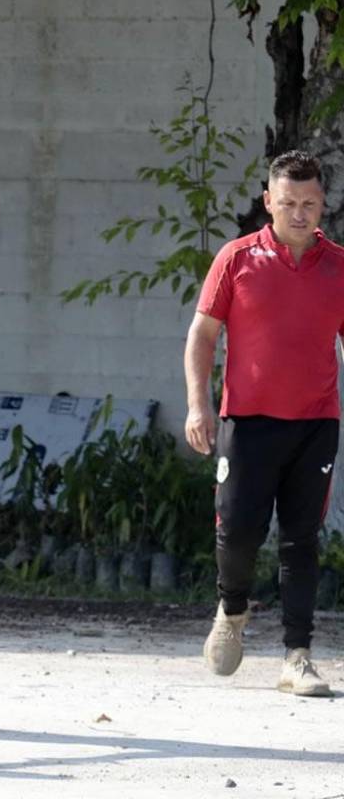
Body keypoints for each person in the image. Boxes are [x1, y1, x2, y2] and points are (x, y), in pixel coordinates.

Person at [185, 149, 341, 697]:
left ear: (323, 204)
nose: (299, 213)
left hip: (315, 424)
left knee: (302, 540)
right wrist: (198, 404)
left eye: (310, 203)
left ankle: (297, 657)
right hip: (247, 423)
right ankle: (230, 612)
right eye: (288, 203)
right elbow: (202, 336)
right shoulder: (237, 258)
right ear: (268, 201)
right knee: (240, 531)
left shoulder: (339, 267)